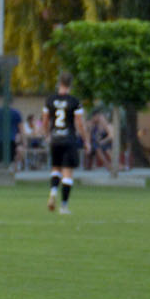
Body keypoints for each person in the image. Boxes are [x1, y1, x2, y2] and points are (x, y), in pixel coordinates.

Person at [42, 72, 87, 215]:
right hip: (69, 139)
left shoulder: (50, 100)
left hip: (55, 139)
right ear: (70, 84)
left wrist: (47, 135)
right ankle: (63, 206)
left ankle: (53, 192)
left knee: (55, 168)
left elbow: (45, 120)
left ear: (59, 83)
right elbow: (79, 123)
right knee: (67, 172)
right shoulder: (74, 101)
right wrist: (85, 139)